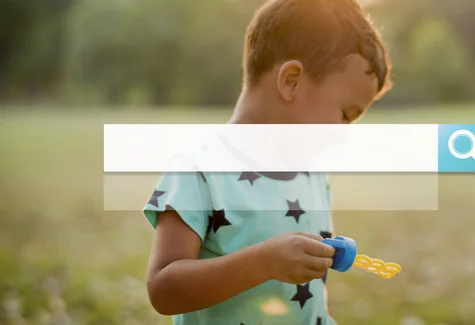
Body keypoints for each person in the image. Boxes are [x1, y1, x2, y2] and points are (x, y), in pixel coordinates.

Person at [142, 0, 392, 324]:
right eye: (344, 114)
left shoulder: (311, 174)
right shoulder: (199, 170)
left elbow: (310, 301)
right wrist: (263, 262)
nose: (343, 135)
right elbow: (163, 290)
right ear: (291, 81)